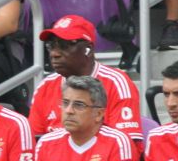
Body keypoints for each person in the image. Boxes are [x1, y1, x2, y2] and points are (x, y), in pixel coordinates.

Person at [28, 15, 142, 144]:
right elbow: (34, 143)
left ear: (88, 49)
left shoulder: (116, 83)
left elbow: (127, 145)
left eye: (64, 45)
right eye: (51, 46)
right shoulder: (45, 87)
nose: (55, 53)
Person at [34, 75, 135, 161]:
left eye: (79, 105)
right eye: (65, 103)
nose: (68, 111)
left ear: (99, 114)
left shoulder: (118, 143)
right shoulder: (46, 144)